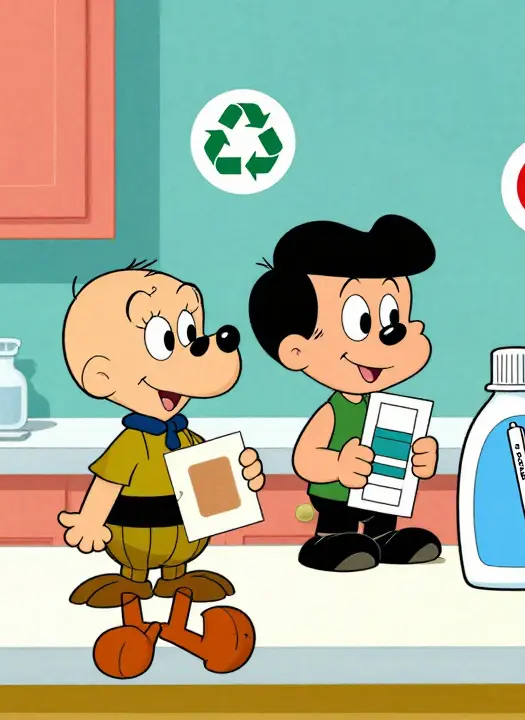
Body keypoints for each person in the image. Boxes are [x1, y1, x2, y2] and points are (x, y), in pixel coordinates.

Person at [60, 260, 264, 677]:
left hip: (184, 542)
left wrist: (242, 476)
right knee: (132, 581)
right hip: (133, 542)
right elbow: (107, 484)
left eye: (190, 332)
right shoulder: (131, 444)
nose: (197, 347)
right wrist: (91, 521)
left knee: (183, 580)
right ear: (102, 375)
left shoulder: (187, 438)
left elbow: (216, 485)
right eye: (165, 339)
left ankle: (180, 630)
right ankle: (135, 631)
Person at [248, 215, 441, 573]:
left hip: (382, 495)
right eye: (361, 323)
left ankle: (384, 538)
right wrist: (337, 464)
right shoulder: (334, 411)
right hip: (337, 496)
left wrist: (422, 459)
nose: (391, 336)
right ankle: (327, 541)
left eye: (393, 318)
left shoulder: (390, 409)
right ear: (297, 350)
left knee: (382, 521)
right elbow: (305, 459)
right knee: (340, 526)